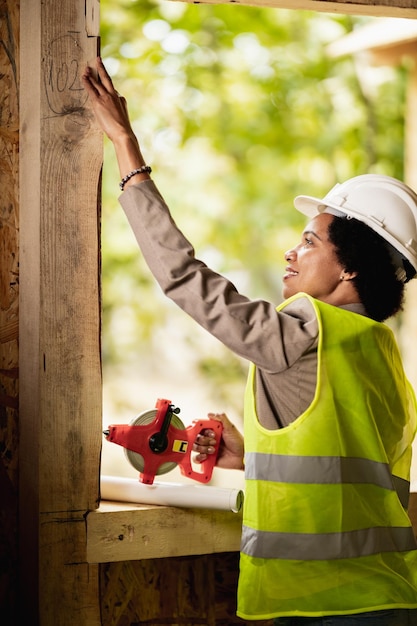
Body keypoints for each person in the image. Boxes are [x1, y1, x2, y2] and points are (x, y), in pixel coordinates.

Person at [82, 57, 417, 625]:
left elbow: (184, 279)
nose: (292, 251)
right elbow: (350, 480)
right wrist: (256, 458)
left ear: (351, 269)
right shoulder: (380, 352)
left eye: (310, 240)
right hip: (388, 598)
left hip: (319, 605)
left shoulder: (302, 334)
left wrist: (127, 149)